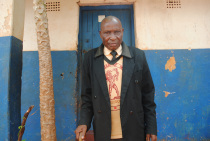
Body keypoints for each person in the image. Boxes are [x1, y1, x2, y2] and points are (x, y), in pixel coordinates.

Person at [75, 16, 157, 141]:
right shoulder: (90, 58)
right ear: (100, 34)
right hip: (104, 129)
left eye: (117, 32)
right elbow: (87, 97)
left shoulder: (138, 56)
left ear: (122, 32)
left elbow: (148, 95)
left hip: (134, 128)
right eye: (107, 33)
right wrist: (83, 122)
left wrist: (151, 127)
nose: (113, 37)